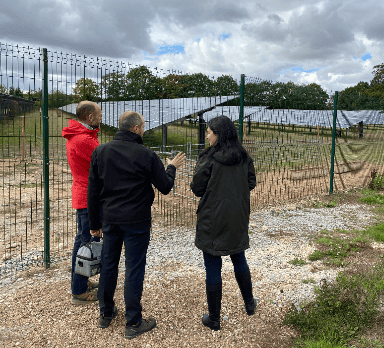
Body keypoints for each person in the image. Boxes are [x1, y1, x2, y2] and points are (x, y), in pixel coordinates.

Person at [87, 111, 185, 340]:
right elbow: (165, 187)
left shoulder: (101, 151)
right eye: (142, 126)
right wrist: (171, 167)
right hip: (137, 221)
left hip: (110, 219)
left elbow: (93, 190)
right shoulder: (146, 154)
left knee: (109, 265)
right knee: (134, 268)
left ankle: (106, 312)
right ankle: (133, 321)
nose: (144, 129)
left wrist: (94, 222)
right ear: (134, 128)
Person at [190, 115, 257, 331]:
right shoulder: (244, 157)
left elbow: (197, 188)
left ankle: (214, 319)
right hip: (237, 217)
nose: (207, 135)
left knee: (212, 265)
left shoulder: (208, 158)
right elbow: (251, 183)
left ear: (218, 135)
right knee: (239, 257)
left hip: (212, 219)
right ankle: (249, 304)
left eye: (209, 132)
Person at [62, 100, 102, 305]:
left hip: (84, 194)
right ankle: (78, 291)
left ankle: (81, 282)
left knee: (83, 241)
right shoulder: (83, 140)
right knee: (85, 243)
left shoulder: (82, 136)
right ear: (90, 117)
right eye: (99, 114)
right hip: (88, 196)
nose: (101, 118)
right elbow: (103, 161)